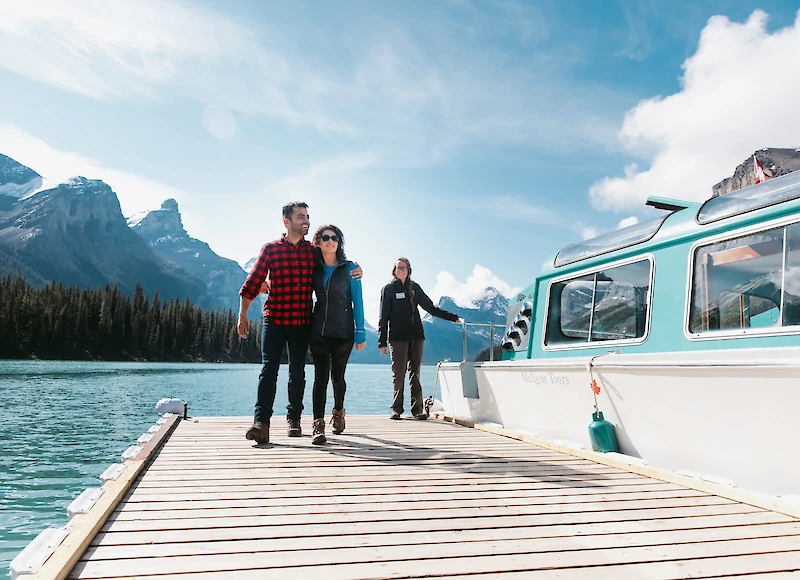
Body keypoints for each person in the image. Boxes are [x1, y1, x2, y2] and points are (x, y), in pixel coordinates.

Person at [237, 202, 361, 444]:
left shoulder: (311, 251)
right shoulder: (270, 249)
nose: (306, 221)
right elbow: (252, 283)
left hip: (302, 321)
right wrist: (242, 315)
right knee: (268, 370)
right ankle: (261, 423)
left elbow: (333, 261)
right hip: (273, 318)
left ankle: (294, 419)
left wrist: (355, 270)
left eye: (307, 217)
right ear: (286, 221)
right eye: (300, 217)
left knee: (297, 372)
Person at [378, 257, 460, 420]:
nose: (401, 270)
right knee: (399, 373)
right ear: (394, 270)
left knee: (415, 373)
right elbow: (383, 316)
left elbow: (431, 308)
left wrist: (453, 317)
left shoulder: (414, 288)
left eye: (404, 267)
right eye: (398, 267)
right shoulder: (388, 289)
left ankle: (417, 410)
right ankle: (397, 409)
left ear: (409, 270)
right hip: (397, 337)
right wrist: (382, 340)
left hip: (416, 335)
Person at [308, 225, 366, 445]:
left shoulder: (350, 268)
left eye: (335, 238)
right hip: (319, 329)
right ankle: (318, 424)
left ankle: (339, 411)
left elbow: (357, 301)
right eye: (325, 238)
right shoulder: (314, 267)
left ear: (339, 242)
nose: (330, 241)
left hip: (343, 331)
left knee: (338, 377)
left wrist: (360, 332)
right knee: (320, 377)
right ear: (318, 242)